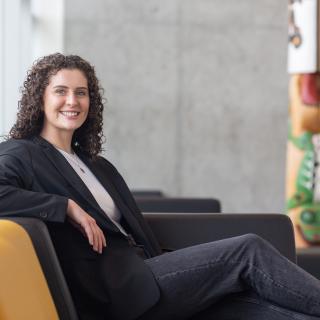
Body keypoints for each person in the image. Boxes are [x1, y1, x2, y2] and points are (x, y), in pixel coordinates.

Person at [0, 53, 319, 320]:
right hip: (115, 291)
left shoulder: (95, 164)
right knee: (248, 250)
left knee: (272, 310)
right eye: (61, 91)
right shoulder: (24, 154)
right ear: (40, 98)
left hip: (146, 273)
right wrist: (66, 207)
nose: (72, 101)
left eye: (81, 92)